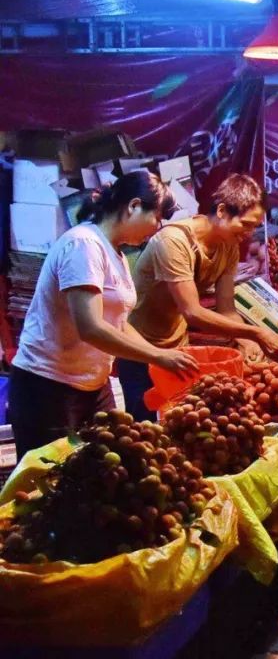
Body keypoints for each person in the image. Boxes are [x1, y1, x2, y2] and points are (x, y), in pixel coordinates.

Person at [7, 173, 199, 457]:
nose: (157, 228)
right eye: (157, 217)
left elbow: (118, 323)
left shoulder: (116, 256)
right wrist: (156, 357)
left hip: (93, 385)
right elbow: (91, 327)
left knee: (104, 471)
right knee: (48, 484)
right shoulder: (83, 244)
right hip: (48, 386)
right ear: (134, 206)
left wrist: (158, 355)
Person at [118, 174, 278, 421]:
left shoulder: (227, 246)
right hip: (139, 349)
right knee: (142, 428)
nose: (249, 234)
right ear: (221, 211)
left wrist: (244, 339)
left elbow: (226, 308)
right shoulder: (174, 241)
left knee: (180, 423)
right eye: (247, 224)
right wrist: (255, 333)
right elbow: (192, 311)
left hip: (178, 348)